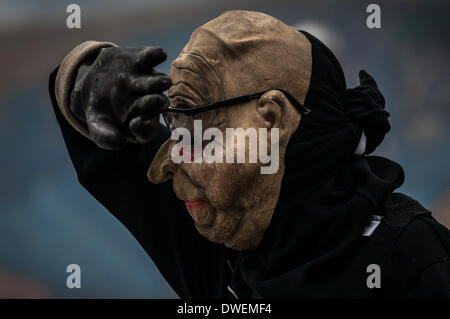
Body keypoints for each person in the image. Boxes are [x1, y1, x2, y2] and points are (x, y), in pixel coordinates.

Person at [48, 10, 450, 298]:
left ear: (274, 120)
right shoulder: (227, 239)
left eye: (196, 127)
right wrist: (87, 79)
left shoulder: (411, 254)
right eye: (174, 125)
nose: (164, 166)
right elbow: (105, 147)